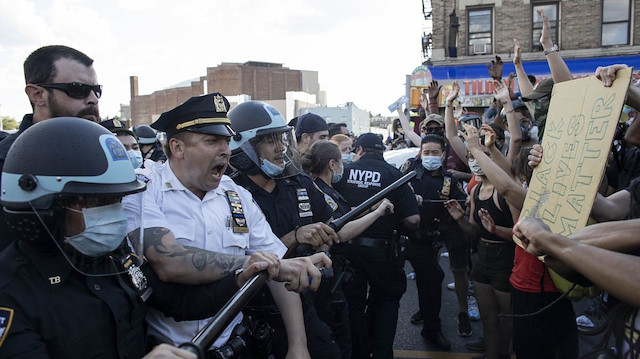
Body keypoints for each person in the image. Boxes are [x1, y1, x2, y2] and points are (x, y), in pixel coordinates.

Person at [0, 117, 274, 359]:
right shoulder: (11, 292)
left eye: (117, 200)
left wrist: (239, 277)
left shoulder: (114, 258)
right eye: (98, 202)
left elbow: (178, 304)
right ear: (47, 207)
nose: (115, 214)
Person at [122, 94, 325, 358]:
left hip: (235, 348)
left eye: (227, 141)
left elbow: (278, 268)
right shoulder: (146, 187)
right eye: (212, 141)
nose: (225, 150)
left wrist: (298, 346)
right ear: (177, 147)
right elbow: (169, 261)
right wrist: (252, 263)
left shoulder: (237, 195)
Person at [227, 101, 341, 359]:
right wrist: (294, 236)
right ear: (243, 149)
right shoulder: (231, 195)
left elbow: (330, 226)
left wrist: (322, 243)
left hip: (305, 300)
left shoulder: (299, 183)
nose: (280, 147)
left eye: (281, 137)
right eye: (269, 140)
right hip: (253, 312)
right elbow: (244, 258)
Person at [0, 45, 101, 251]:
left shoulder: (104, 159)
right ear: (37, 95)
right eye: (77, 89)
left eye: (96, 90)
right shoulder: (5, 164)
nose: (93, 99)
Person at [301, 139, 396, 358]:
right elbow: (339, 231)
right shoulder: (318, 191)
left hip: (333, 272)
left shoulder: (323, 188)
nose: (345, 165)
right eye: (342, 161)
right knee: (339, 338)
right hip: (327, 277)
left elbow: (344, 215)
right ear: (333, 165)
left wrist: (370, 205)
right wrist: (377, 213)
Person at [333, 133, 420, 359]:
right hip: (382, 251)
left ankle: (358, 353)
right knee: (386, 301)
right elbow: (413, 220)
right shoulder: (395, 175)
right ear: (382, 150)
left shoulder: (345, 173)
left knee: (353, 305)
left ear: (359, 150)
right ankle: (382, 352)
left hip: (348, 250)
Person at [445, 125, 518, 359]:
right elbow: (474, 232)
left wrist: (496, 229)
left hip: (505, 259)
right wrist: (459, 220)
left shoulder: (506, 189)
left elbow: (519, 232)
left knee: (507, 319)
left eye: (481, 156)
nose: (475, 161)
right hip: (482, 259)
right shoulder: (476, 192)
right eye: (470, 157)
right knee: (488, 318)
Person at [400, 134, 471, 350]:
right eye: (426, 152)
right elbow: (390, 188)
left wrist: (461, 207)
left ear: (442, 156)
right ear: (420, 152)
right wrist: (408, 195)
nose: (430, 156)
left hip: (426, 238)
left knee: (431, 281)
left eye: (435, 153)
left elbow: (462, 206)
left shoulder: (450, 181)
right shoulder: (408, 170)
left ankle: (432, 328)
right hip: (400, 236)